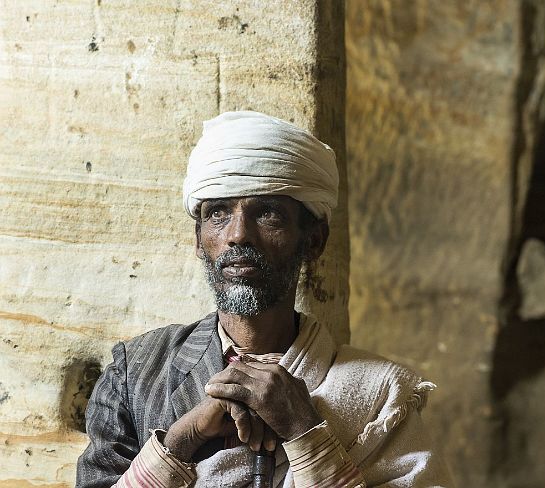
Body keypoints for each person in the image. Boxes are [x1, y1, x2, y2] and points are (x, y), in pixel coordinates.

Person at [76, 111, 453, 487]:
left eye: (267, 213)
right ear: (198, 239)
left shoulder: (380, 394)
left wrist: (307, 434)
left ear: (314, 240)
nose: (238, 234)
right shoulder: (136, 373)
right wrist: (179, 441)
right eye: (218, 213)